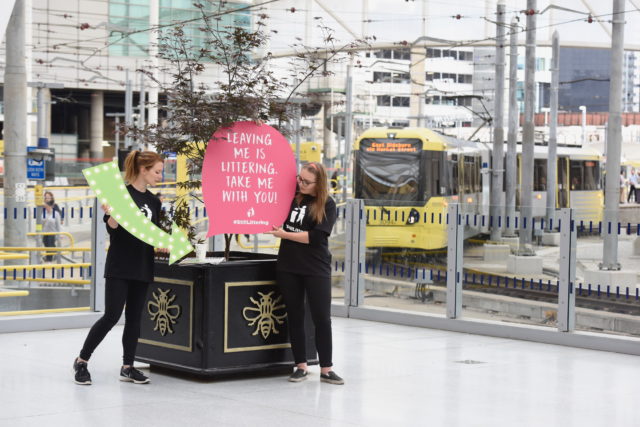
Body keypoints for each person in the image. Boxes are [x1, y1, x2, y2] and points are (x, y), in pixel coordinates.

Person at [73, 150, 164, 385]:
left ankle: (128, 366)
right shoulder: (120, 194)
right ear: (143, 170)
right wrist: (113, 214)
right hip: (120, 266)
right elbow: (112, 228)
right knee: (111, 316)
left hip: (143, 265)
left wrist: (165, 245)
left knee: (134, 318)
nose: (160, 176)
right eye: (157, 171)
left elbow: (155, 235)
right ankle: (82, 361)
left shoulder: (154, 201)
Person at [266, 161, 343, 385]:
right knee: (295, 316)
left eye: (306, 182)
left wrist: (285, 234)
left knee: (322, 318)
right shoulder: (291, 198)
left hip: (316, 267)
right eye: (299, 179)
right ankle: (300, 365)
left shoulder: (327, 204)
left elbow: (316, 237)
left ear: (319, 184)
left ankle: (326, 368)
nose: (300, 184)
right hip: (289, 265)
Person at [42, 191, 62, 262]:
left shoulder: (55, 212)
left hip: (52, 232)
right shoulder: (43, 211)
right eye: (46, 197)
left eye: (48, 197)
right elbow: (41, 222)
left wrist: (59, 235)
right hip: (45, 232)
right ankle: (53, 254)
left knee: (50, 245)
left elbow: (58, 224)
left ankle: (49, 259)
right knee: (46, 245)